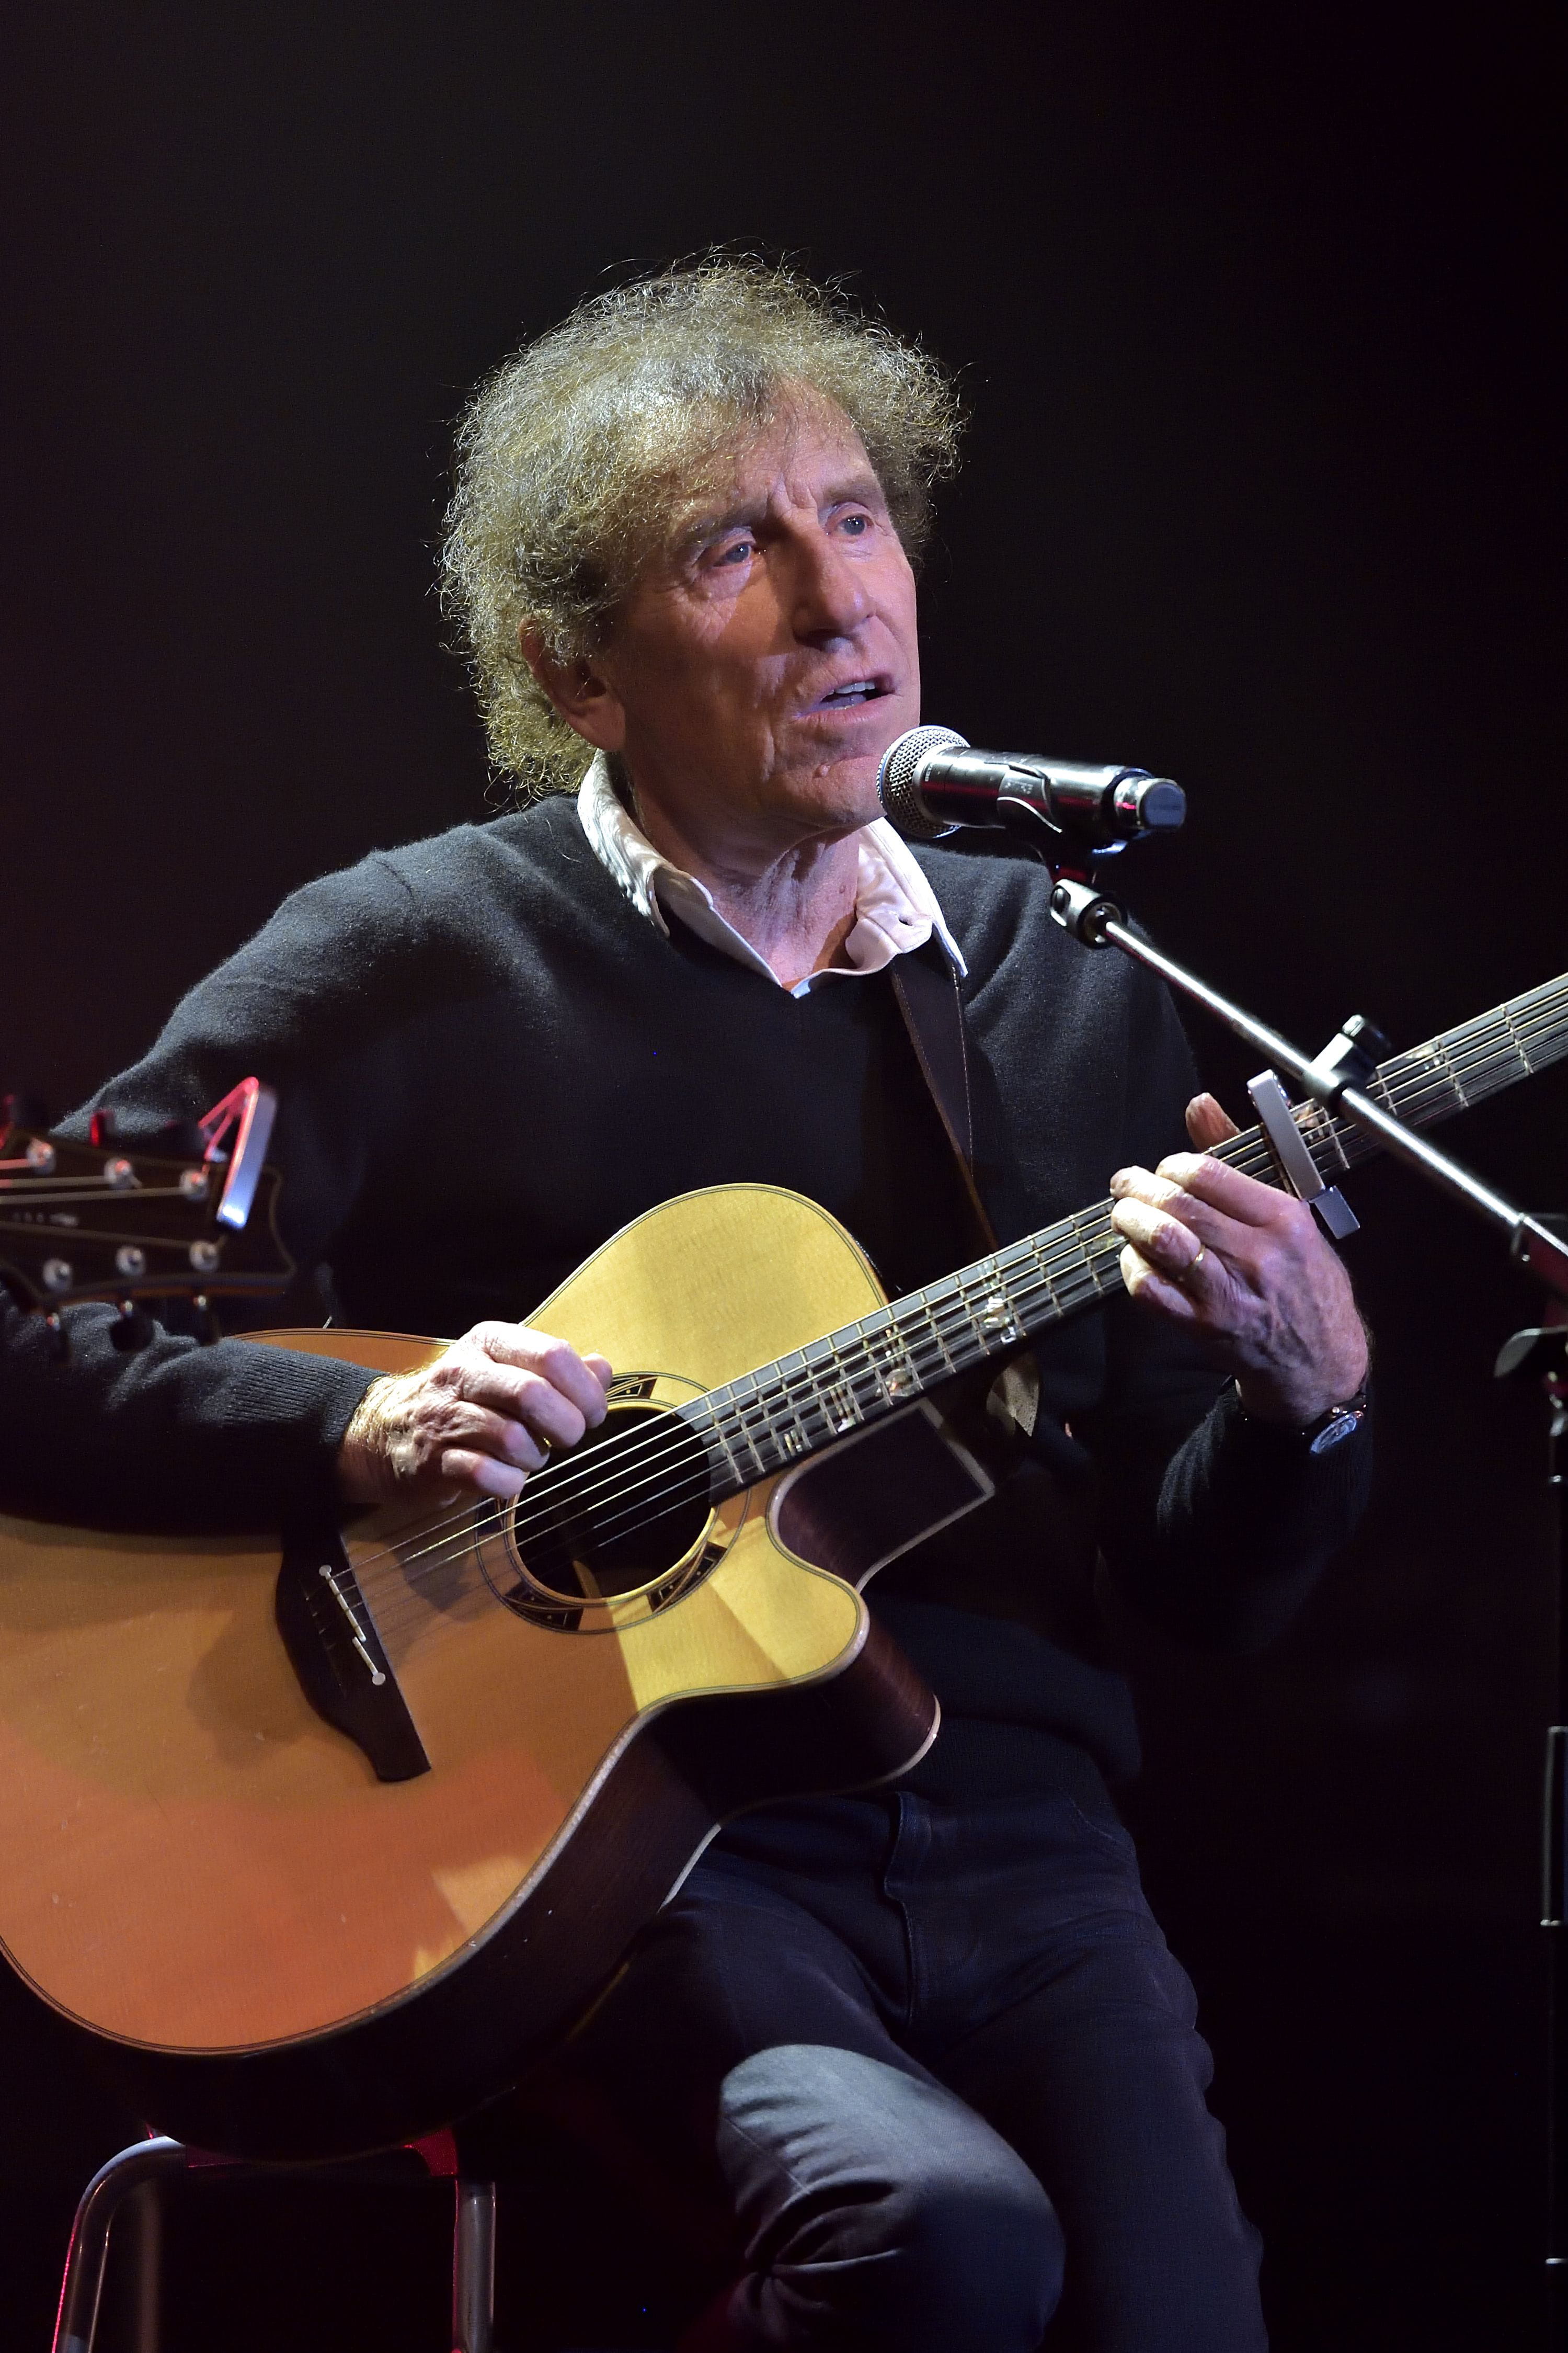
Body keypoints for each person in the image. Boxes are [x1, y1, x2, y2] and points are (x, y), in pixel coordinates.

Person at [64, 263, 1370, 2351]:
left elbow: (1202, 1589)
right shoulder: (413, 956)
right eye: (731, 550)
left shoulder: (1069, 977)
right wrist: (352, 1425)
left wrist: (1305, 1406)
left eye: (857, 517)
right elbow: (31, 1316)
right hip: (615, 1851)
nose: (842, 603)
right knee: (933, 2237)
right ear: (575, 669)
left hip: (1024, 1838)